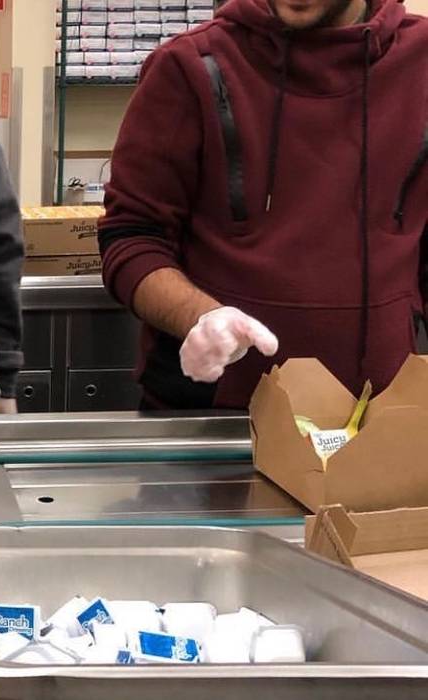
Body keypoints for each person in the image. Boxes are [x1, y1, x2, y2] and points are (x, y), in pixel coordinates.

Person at [99, 0, 428, 409]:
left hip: (380, 421)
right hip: (213, 423)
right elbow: (131, 237)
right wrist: (200, 317)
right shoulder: (190, 66)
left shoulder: (420, 67)